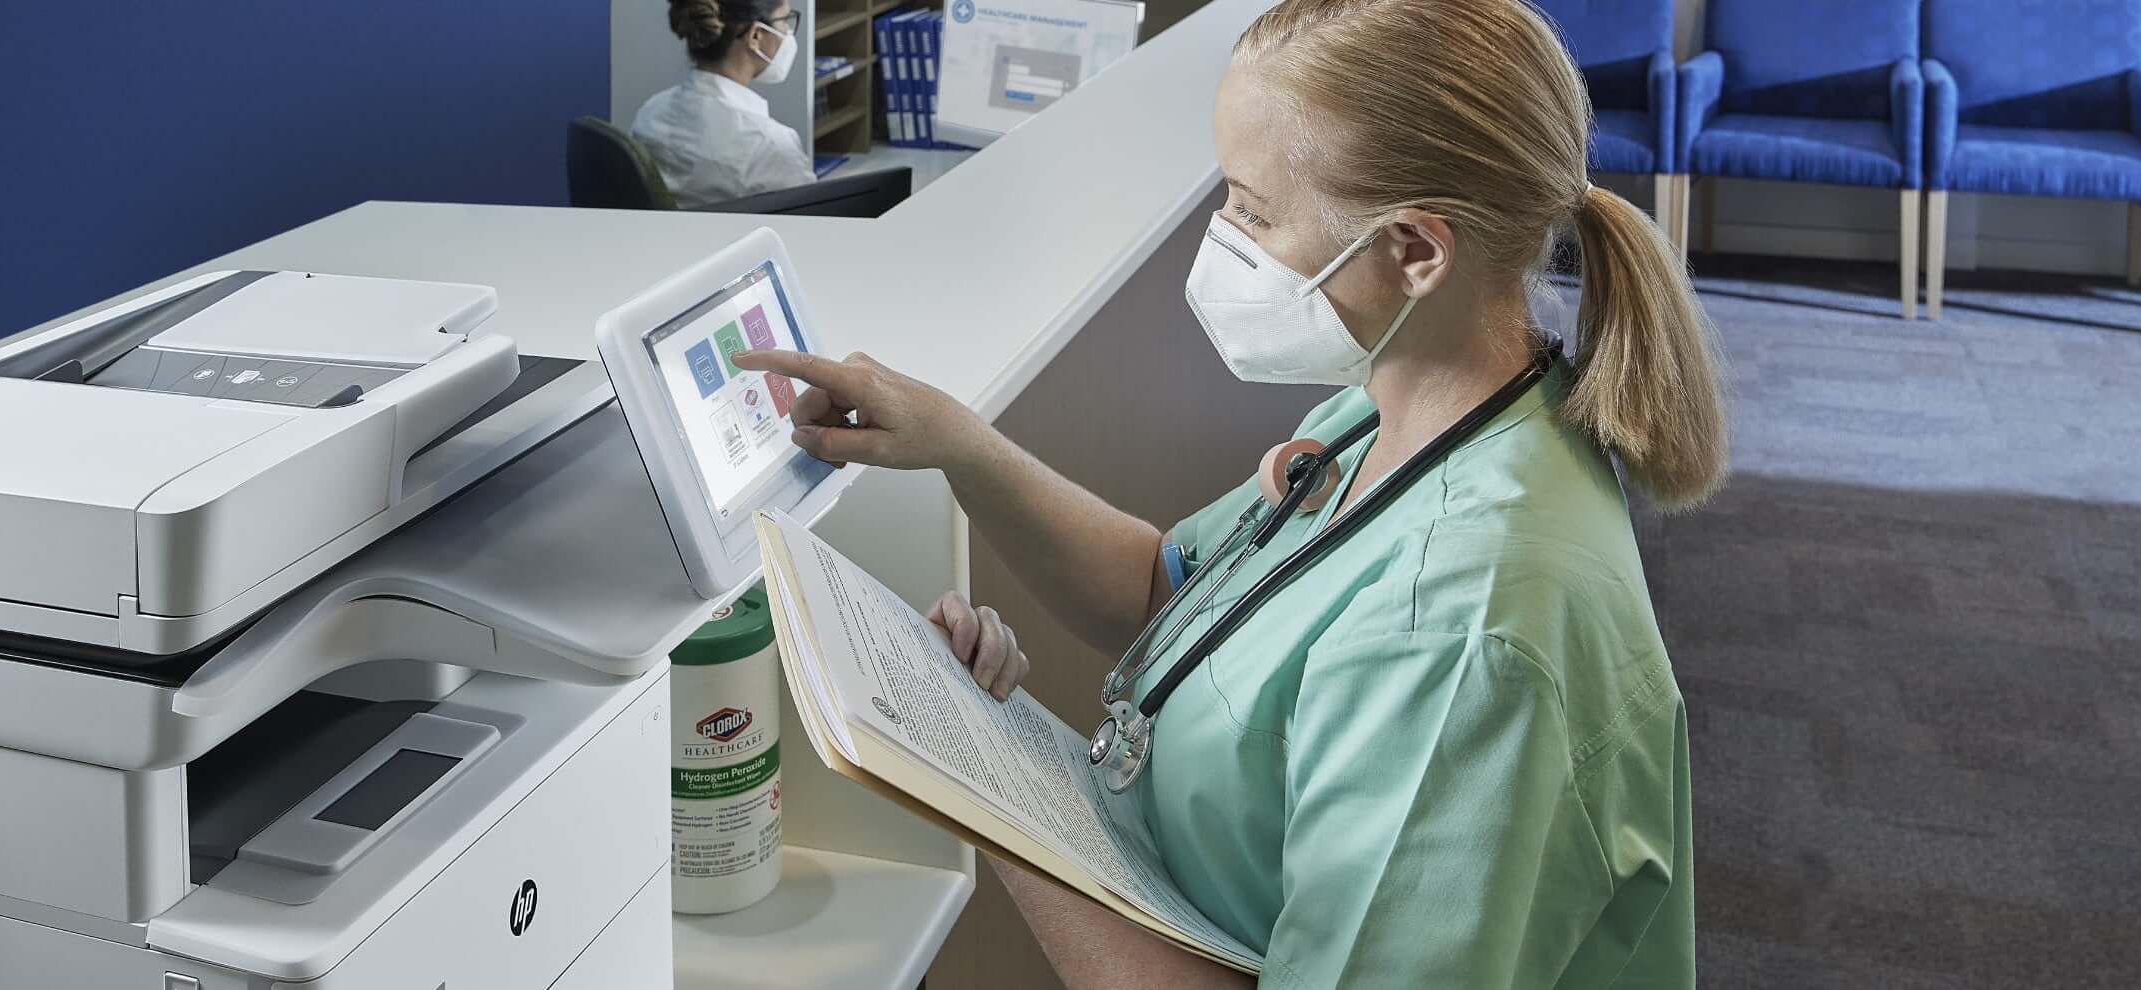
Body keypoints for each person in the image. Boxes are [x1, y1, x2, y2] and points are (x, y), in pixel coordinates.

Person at [736, 0, 1721, 984]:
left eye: (1254, 209)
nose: (1225, 238)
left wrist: (977, 789)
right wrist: (956, 442)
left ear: (1417, 251)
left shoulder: (1465, 635)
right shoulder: (1399, 409)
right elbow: (1172, 589)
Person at [631, 0, 813, 206]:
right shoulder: (769, 145)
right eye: (784, 21)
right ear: (755, 35)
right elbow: (809, 224)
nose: (788, 32)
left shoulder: (650, 113)